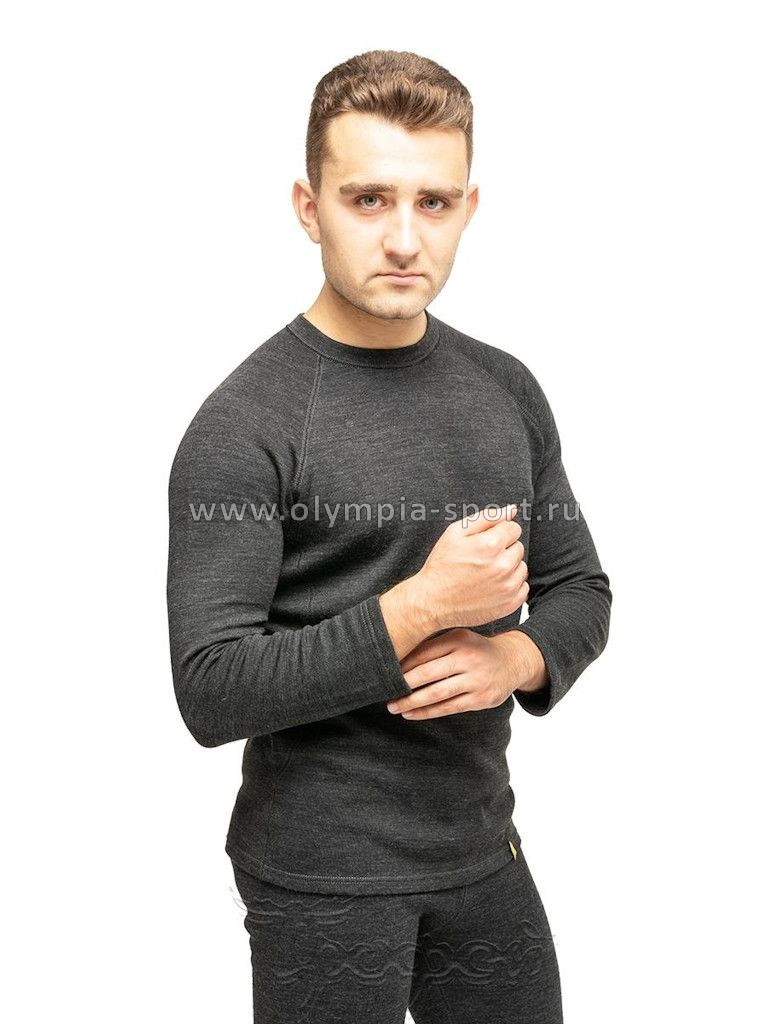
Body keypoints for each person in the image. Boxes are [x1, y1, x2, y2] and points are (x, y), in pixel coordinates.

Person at [166, 48, 612, 1024]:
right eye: (368, 200)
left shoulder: (506, 388)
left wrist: (517, 657)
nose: (405, 238)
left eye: (433, 202)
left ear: (468, 207)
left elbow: (582, 589)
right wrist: (419, 607)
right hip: (320, 877)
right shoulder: (245, 424)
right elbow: (210, 687)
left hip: (483, 854)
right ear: (309, 206)